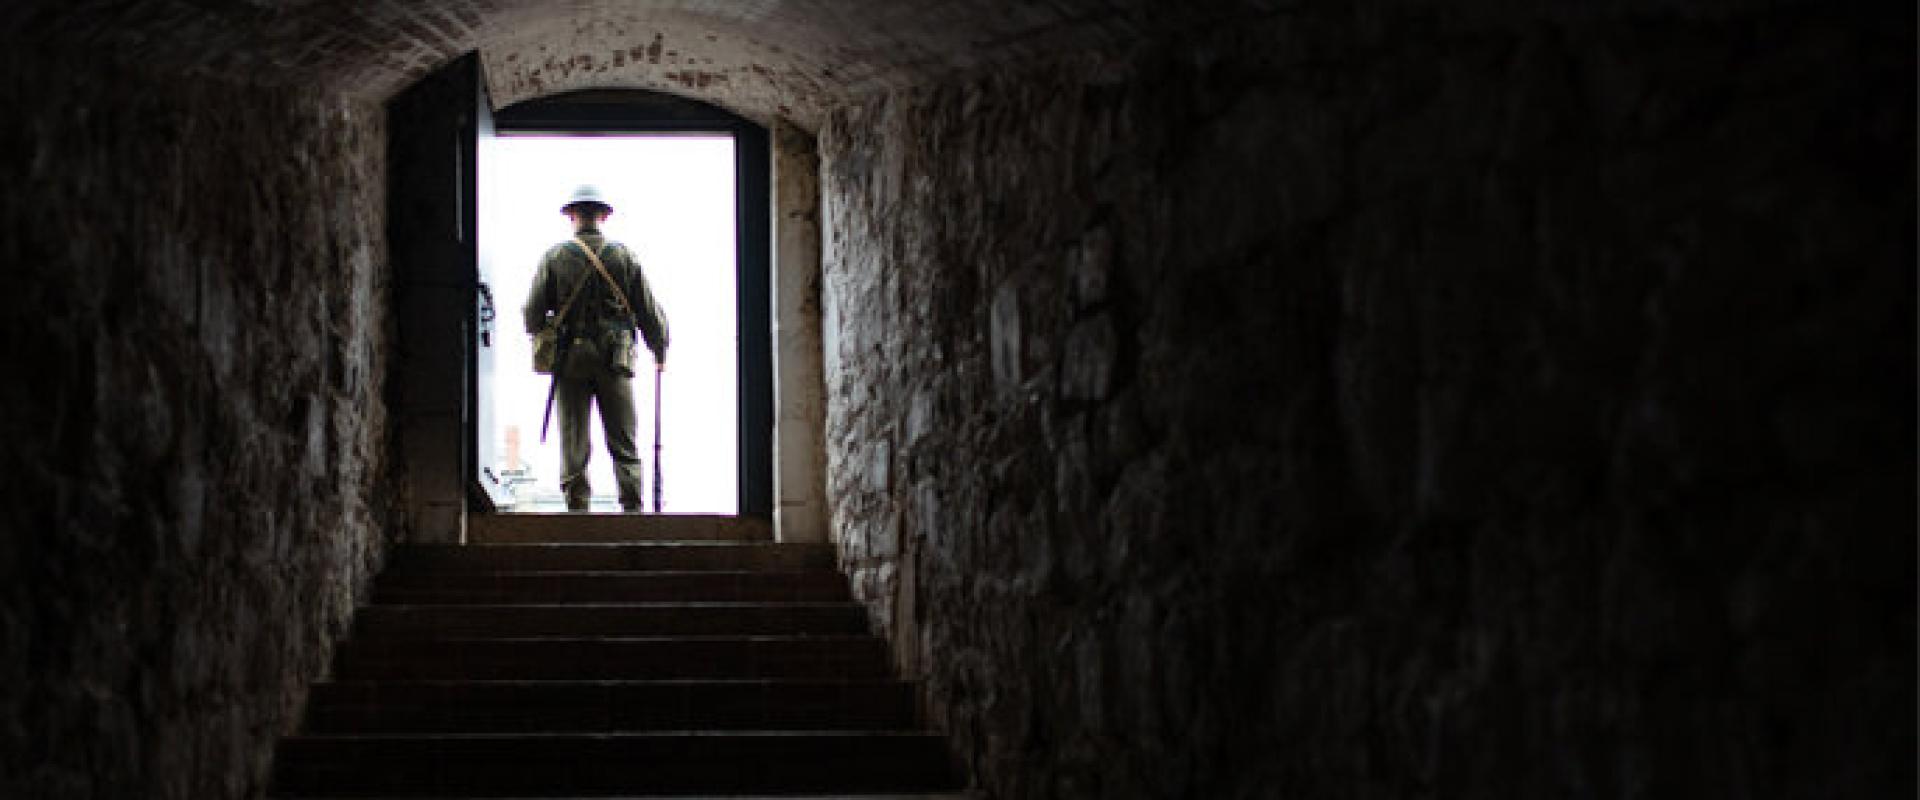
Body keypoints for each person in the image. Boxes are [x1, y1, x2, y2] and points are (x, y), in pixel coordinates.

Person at [522, 185, 669, 512]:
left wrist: (549, 329)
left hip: (570, 358)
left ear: (571, 215)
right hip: (615, 357)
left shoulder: (555, 257)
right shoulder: (623, 256)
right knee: (623, 438)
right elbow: (647, 310)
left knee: (574, 438)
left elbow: (531, 315)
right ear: (603, 215)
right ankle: (631, 507)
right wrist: (659, 347)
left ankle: (577, 508)